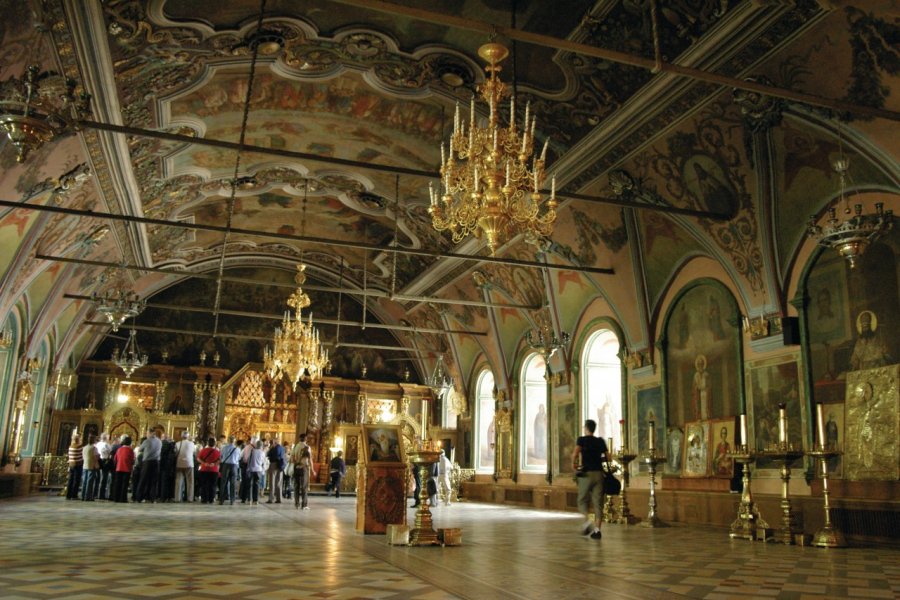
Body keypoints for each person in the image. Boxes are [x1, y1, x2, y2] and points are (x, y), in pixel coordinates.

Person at [571, 419, 607, 540]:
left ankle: (587, 522)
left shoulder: (582, 440)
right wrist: (598, 460)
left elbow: (575, 454)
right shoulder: (600, 441)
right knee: (598, 503)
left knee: (582, 500)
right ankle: (597, 531)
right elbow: (608, 457)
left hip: (586, 474)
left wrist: (574, 466)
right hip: (599, 474)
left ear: (586, 428)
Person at [136, 429, 162, 503]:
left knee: (143, 480)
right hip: (156, 462)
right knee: (154, 481)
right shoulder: (159, 441)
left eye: (147, 433)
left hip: (147, 462)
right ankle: (152, 498)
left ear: (151, 433)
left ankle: (139, 498)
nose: (146, 435)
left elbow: (140, 449)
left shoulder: (147, 441)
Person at [174, 431, 196, 502]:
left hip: (179, 464)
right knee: (190, 482)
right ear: (188, 437)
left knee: (178, 481)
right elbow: (194, 452)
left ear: (181, 436)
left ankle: (177, 498)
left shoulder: (177, 444)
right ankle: (190, 498)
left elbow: (176, 453)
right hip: (189, 464)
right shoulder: (192, 444)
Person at [197, 437, 221, 504]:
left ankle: (204, 499)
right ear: (214, 444)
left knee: (204, 485)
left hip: (204, 469)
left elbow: (198, 458)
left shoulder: (203, 450)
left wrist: (204, 463)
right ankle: (211, 499)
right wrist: (214, 464)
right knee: (213, 485)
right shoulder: (217, 451)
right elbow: (220, 460)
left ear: (208, 443)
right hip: (214, 470)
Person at [111, 436, 135, 503]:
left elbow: (115, 459)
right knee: (124, 484)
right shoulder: (130, 450)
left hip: (118, 468)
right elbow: (132, 460)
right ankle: (123, 499)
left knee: (118, 483)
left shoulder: (119, 449)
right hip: (127, 469)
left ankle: (116, 498)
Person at [218, 435, 240, 505]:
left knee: (223, 482)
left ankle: (221, 499)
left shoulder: (224, 448)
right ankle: (232, 500)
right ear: (234, 441)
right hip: (234, 466)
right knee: (233, 483)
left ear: (228, 440)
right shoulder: (237, 449)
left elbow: (221, 456)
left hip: (225, 465)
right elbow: (238, 458)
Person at [81, 434, 100, 501]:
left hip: (85, 466)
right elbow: (96, 457)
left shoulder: (84, 447)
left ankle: (83, 496)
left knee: (84, 482)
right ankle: (88, 497)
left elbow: (83, 457)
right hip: (91, 466)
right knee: (90, 482)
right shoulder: (94, 448)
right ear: (93, 440)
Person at [266, 439, 286, 504]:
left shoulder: (273, 448)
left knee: (272, 482)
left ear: (275, 443)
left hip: (273, 465)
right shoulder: (282, 448)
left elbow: (268, 455)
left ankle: (271, 499)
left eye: (271, 443)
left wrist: (270, 449)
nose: (271, 444)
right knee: (279, 482)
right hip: (280, 466)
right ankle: (279, 498)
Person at [247, 440, 266, 505]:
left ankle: (249, 499)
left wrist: (248, 468)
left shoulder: (252, 451)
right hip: (259, 470)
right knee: (256, 485)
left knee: (250, 485)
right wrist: (263, 471)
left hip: (251, 469)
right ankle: (255, 500)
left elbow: (249, 460)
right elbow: (263, 463)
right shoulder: (262, 453)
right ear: (261, 446)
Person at [159, 432, 177, 502]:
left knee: (163, 481)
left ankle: (162, 497)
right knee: (170, 482)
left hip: (163, 465)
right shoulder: (172, 445)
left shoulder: (162, 444)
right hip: (171, 466)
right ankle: (169, 496)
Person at [66, 434, 84, 500]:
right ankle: (74, 495)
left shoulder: (70, 446)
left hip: (71, 464)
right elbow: (82, 455)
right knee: (76, 480)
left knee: (70, 480)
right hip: (78, 464)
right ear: (78, 439)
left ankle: (68, 495)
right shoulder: (79, 447)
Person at [692, 354, 710, 420]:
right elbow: (694, 387)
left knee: (705, 408)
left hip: (705, 394)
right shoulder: (696, 375)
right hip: (698, 394)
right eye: (699, 364)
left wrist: (706, 389)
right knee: (699, 408)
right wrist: (696, 389)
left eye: (701, 364)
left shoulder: (706, 374)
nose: (700, 365)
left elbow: (709, 386)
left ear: (703, 365)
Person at [96, 433, 112, 500]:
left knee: (98, 478)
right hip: (104, 461)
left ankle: (96, 493)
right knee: (104, 478)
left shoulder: (98, 444)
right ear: (105, 438)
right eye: (108, 437)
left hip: (98, 461)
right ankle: (101, 495)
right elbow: (110, 452)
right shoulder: (106, 444)